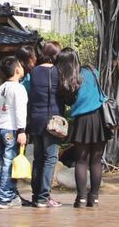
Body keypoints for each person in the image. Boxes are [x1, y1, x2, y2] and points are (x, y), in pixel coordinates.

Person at [57, 47, 111, 208]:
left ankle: (80, 198)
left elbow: (67, 102)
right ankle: (93, 198)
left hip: (81, 121)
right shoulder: (92, 71)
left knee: (81, 161)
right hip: (99, 119)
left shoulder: (68, 79)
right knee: (96, 161)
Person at [26, 40, 63, 207]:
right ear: (56, 55)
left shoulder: (33, 72)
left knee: (38, 159)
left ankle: (36, 195)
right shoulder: (59, 72)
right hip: (52, 121)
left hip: (35, 119)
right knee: (50, 158)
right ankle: (43, 197)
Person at [0, 54, 28, 209]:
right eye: (20, 65)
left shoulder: (1, 88)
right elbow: (21, 111)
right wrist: (22, 131)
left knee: (5, 163)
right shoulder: (19, 88)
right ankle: (4, 198)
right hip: (12, 129)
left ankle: (9, 195)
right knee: (9, 164)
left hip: (0, 128)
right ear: (17, 69)